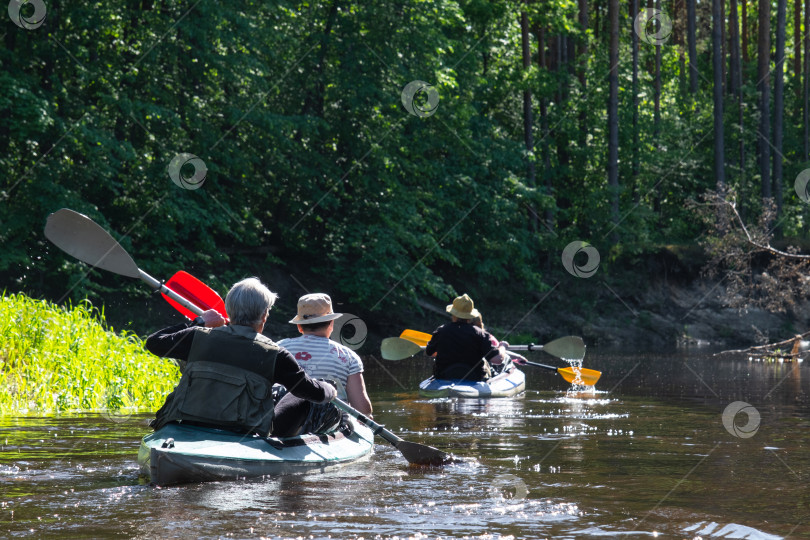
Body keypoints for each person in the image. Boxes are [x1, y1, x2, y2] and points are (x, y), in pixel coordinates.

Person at [144, 277, 337, 438]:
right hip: (242, 433)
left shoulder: (197, 336)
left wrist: (199, 321)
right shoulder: (275, 354)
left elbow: (154, 343)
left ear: (229, 310)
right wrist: (329, 388)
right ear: (264, 316)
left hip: (188, 423)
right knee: (297, 394)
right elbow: (315, 394)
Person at [278, 293, 373, 417]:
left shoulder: (279, 348)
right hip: (334, 427)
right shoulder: (349, 356)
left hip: (285, 423)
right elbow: (363, 411)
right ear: (331, 323)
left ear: (299, 326)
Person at [425, 293, 507, 381]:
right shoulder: (480, 333)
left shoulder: (441, 331)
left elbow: (430, 353)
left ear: (453, 314)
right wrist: (502, 347)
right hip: (474, 379)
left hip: (444, 377)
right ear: (470, 316)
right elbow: (497, 360)